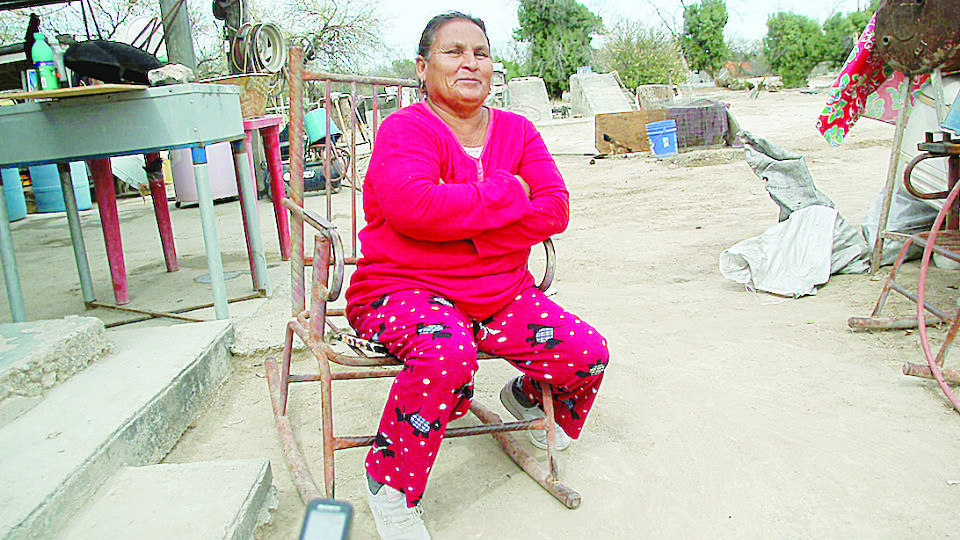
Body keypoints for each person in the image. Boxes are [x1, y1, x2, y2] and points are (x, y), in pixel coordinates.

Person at [344, 11, 609, 539]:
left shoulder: (518, 130)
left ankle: (525, 400)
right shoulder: (406, 129)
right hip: (402, 288)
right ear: (422, 67)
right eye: (454, 52)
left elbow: (555, 208)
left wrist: (465, 234)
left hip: (501, 293)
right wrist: (510, 193)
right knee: (446, 351)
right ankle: (390, 485)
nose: (471, 63)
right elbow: (412, 207)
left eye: (481, 53)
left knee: (587, 353)